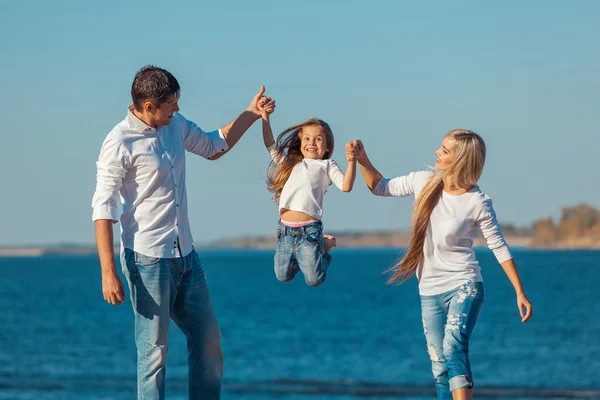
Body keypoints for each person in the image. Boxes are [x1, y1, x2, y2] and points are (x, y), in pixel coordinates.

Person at [91, 65, 275, 400]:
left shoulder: (174, 125)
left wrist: (250, 114)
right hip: (147, 260)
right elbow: (103, 209)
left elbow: (213, 145)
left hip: (187, 256)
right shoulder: (119, 142)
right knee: (154, 358)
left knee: (209, 343)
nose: (177, 108)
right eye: (171, 103)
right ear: (149, 106)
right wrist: (108, 272)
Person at [350, 130, 533, 400]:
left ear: (461, 158)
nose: (437, 152)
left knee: (453, 348)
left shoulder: (477, 201)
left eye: (445, 150)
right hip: (429, 288)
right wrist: (362, 159)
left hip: (465, 285)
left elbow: (498, 245)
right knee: (439, 364)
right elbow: (379, 186)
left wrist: (519, 290)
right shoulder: (422, 181)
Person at [258, 96, 358, 286]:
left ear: (327, 146)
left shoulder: (327, 165)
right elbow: (270, 144)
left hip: (310, 231)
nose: (312, 143)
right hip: (285, 230)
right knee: (282, 276)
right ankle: (303, 258)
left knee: (314, 280)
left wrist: (352, 161)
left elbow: (346, 186)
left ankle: (325, 249)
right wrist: (265, 115)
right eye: (307, 138)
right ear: (300, 141)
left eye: (318, 139)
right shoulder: (289, 164)